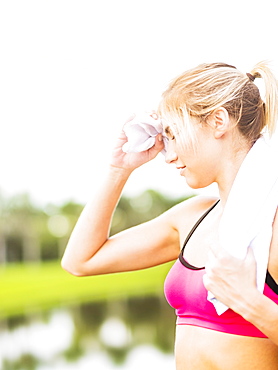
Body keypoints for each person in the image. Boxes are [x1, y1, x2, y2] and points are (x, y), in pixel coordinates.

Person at [62, 62, 278, 369]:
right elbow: (81, 261)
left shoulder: (273, 224)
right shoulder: (192, 217)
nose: (169, 154)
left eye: (174, 134)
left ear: (219, 121)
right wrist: (119, 168)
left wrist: (249, 302)